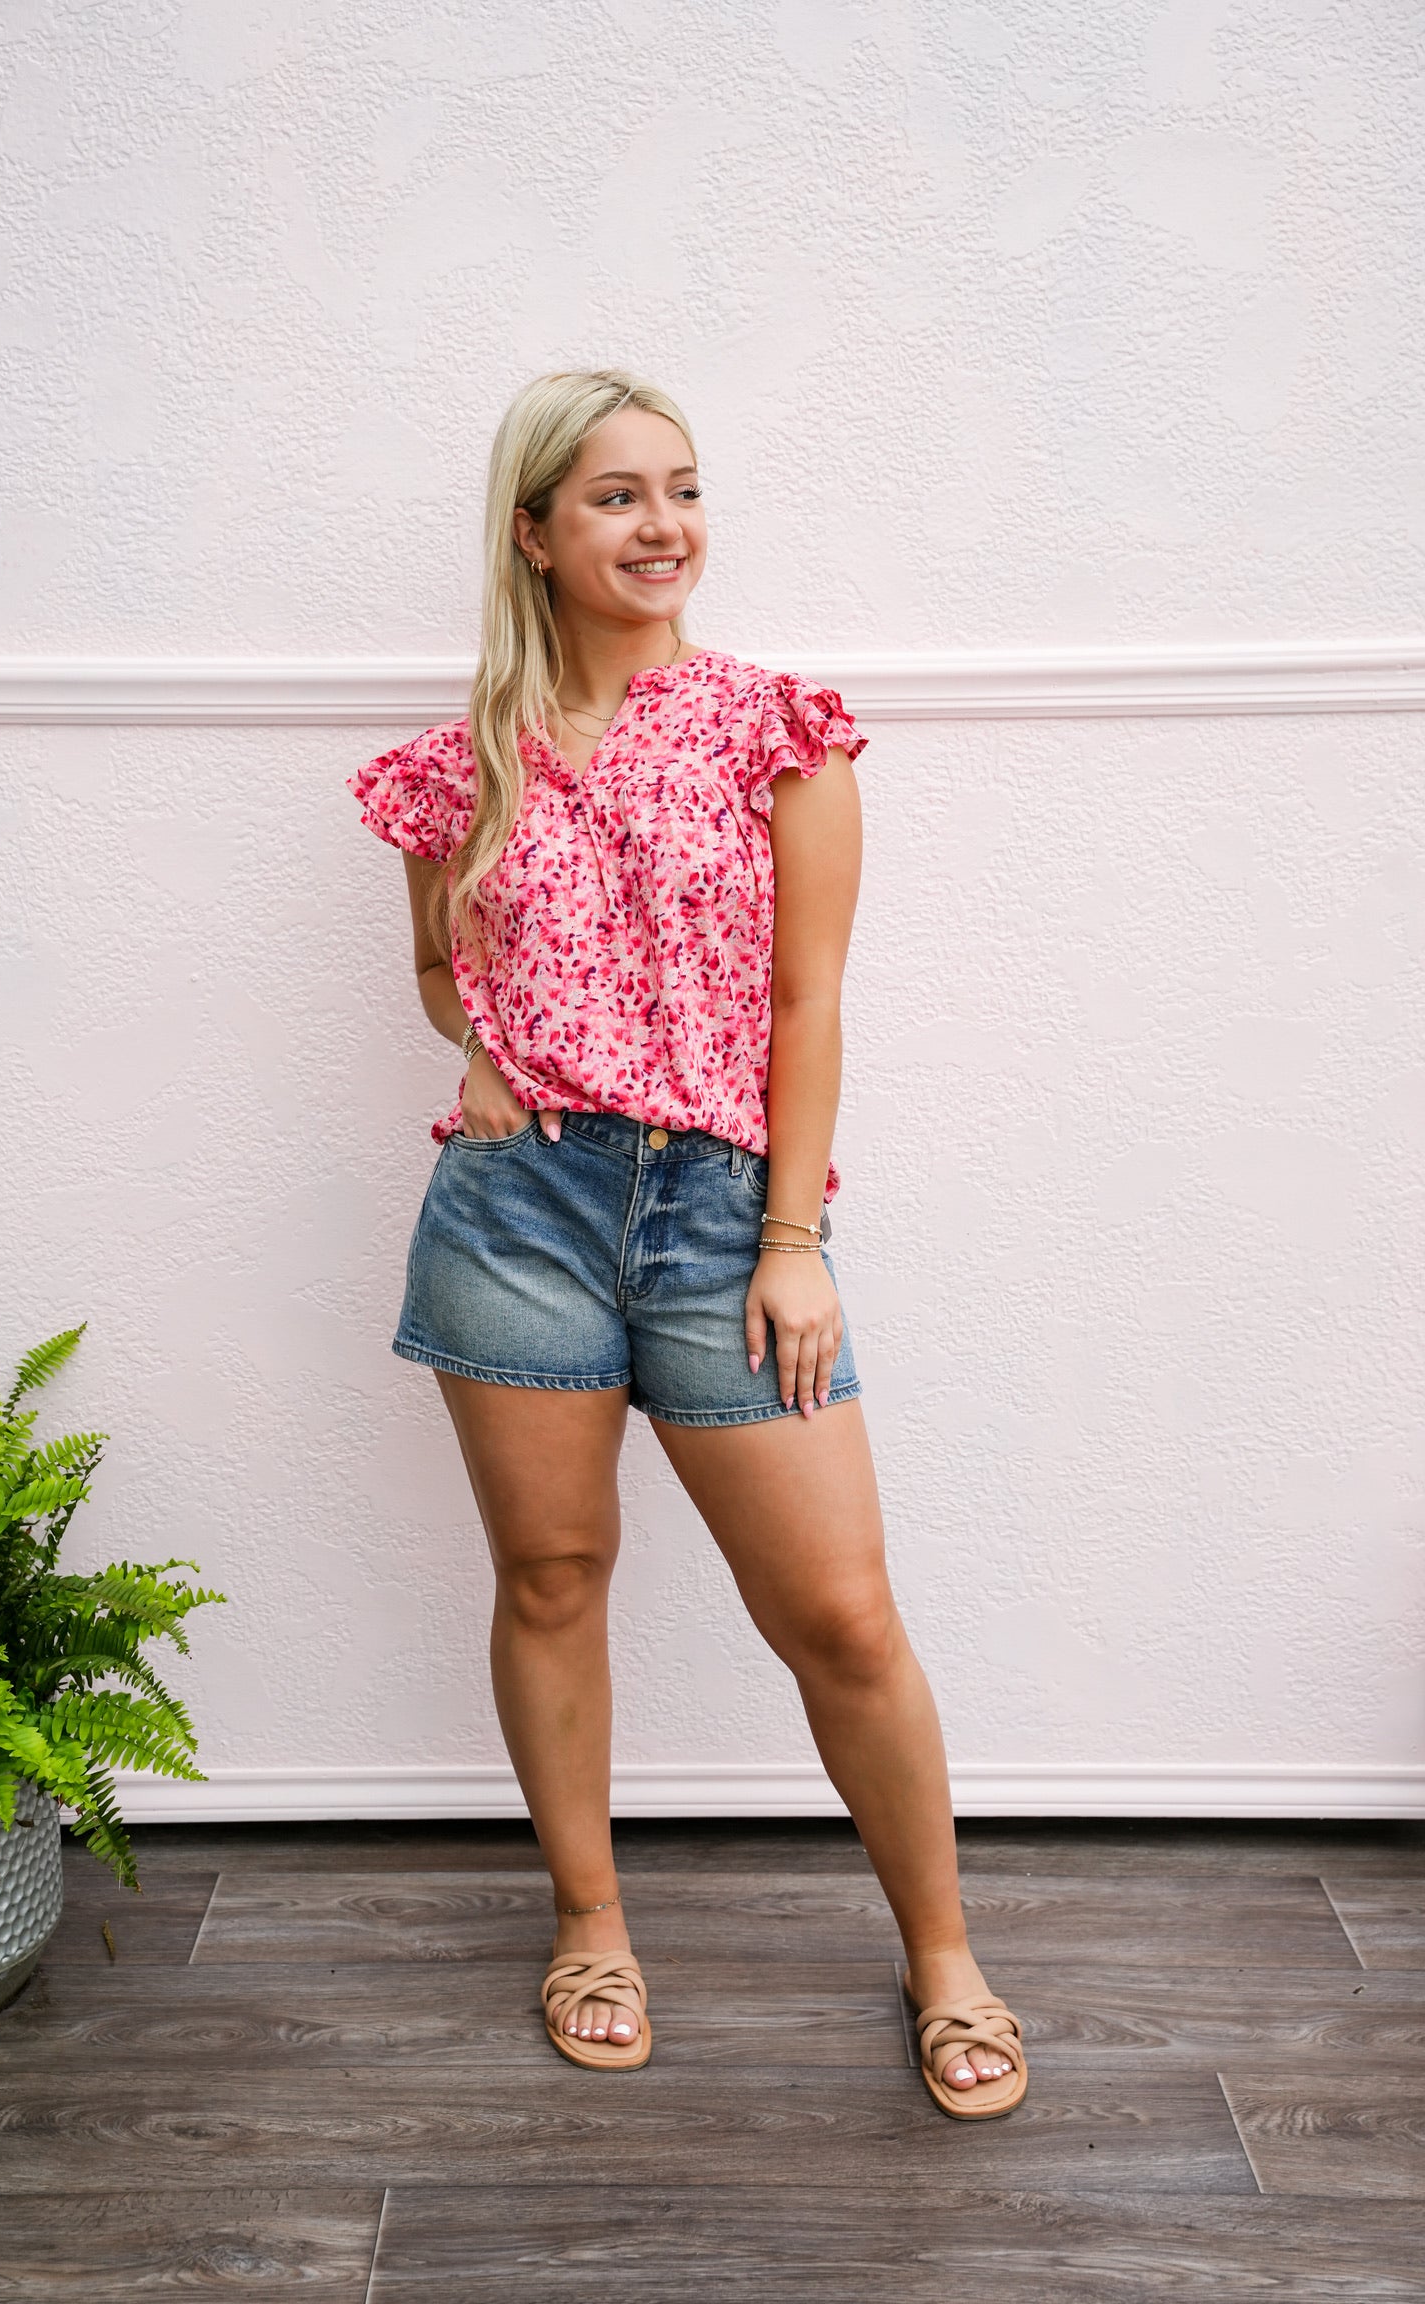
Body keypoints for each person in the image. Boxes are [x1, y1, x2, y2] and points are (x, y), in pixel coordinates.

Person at [348, 368, 1025, 2116]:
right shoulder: (464, 759)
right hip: (518, 1214)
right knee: (554, 1576)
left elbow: (809, 1000)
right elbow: (439, 964)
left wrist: (792, 1236)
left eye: (685, 491)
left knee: (842, 1615)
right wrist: (482, 1060)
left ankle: (945, 1955)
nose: (665, 528)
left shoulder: (771, 727)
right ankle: (591, 1924)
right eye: (617, 499)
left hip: (727, 1210)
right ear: (535, 532)